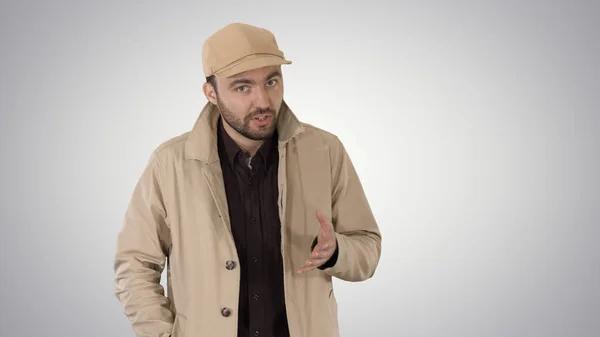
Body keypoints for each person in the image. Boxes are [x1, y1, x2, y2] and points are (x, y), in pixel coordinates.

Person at [113, 22, 382, 337]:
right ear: (211, 92)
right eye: (243, 87)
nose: (263, 101)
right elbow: (134, 266)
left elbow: (368, 249)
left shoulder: (325, 150)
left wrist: (335, 251)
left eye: (272, 81)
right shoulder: (171, 163)